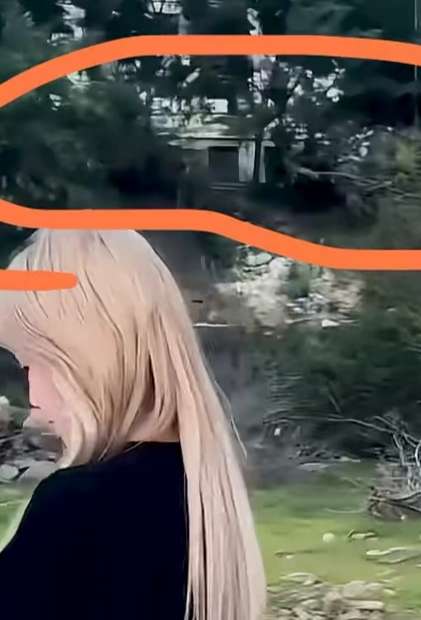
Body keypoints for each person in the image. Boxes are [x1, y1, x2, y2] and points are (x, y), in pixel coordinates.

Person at [0, 230, 266, 620]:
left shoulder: (77, 507)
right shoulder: (205, 491)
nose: (30, 388)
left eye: (33, 359)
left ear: (84, 357)